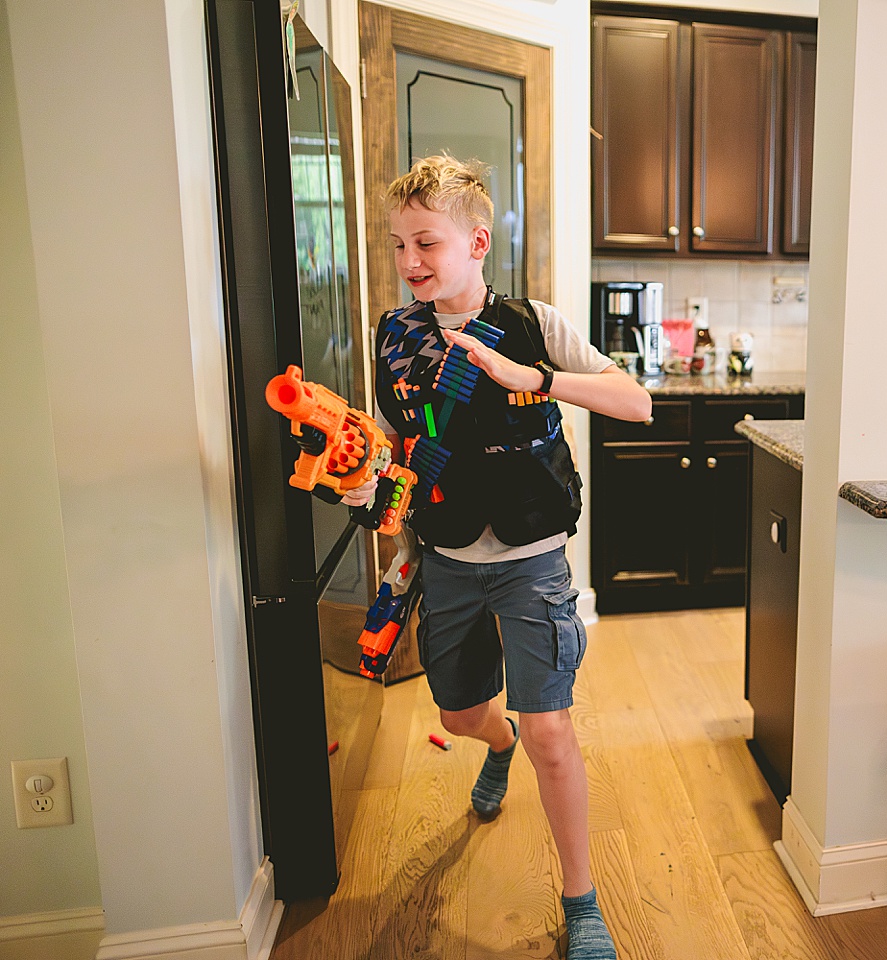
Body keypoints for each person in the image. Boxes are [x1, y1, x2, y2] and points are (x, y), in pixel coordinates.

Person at [344, 155, 650, 959]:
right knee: (457, 714)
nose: (411, 261)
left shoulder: (535, 323)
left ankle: (581, 902)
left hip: (533, 554)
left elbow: (637, 401)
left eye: (427, 243)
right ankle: (497, 745)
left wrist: (537, 378)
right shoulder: (394, 336)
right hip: (445, 554)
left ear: (477, 242)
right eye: (400, 244)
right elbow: (398, 442)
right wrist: (364, 479)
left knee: (552, 727)